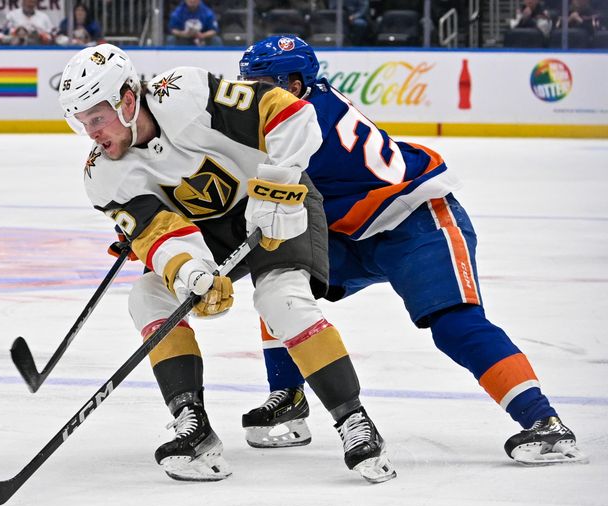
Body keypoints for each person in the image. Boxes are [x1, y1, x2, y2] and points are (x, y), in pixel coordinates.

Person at [237, 35, 586, 466]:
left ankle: (543, 422)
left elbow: (248, 188)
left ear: (293, 85)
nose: (251, 95)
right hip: (352, 229)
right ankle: (288, 395)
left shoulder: (303, 123)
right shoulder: (296, 106)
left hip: (414, 218)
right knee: (279, 281)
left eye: (261, 84)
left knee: (455, 324)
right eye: (247, 84)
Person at [58, 43, 397, 483]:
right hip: (209, 233)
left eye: (96, 119)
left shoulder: (183, 93)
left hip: (280, 202)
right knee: (148, 295)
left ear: (126, 100)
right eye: (81, 123)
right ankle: (192, 425)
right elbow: (159, 233)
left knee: (281, 300)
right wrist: (191, 273)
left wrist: (275, 185)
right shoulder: (102, 172)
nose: (92, 134)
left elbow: (289, 113)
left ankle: (354, 421)